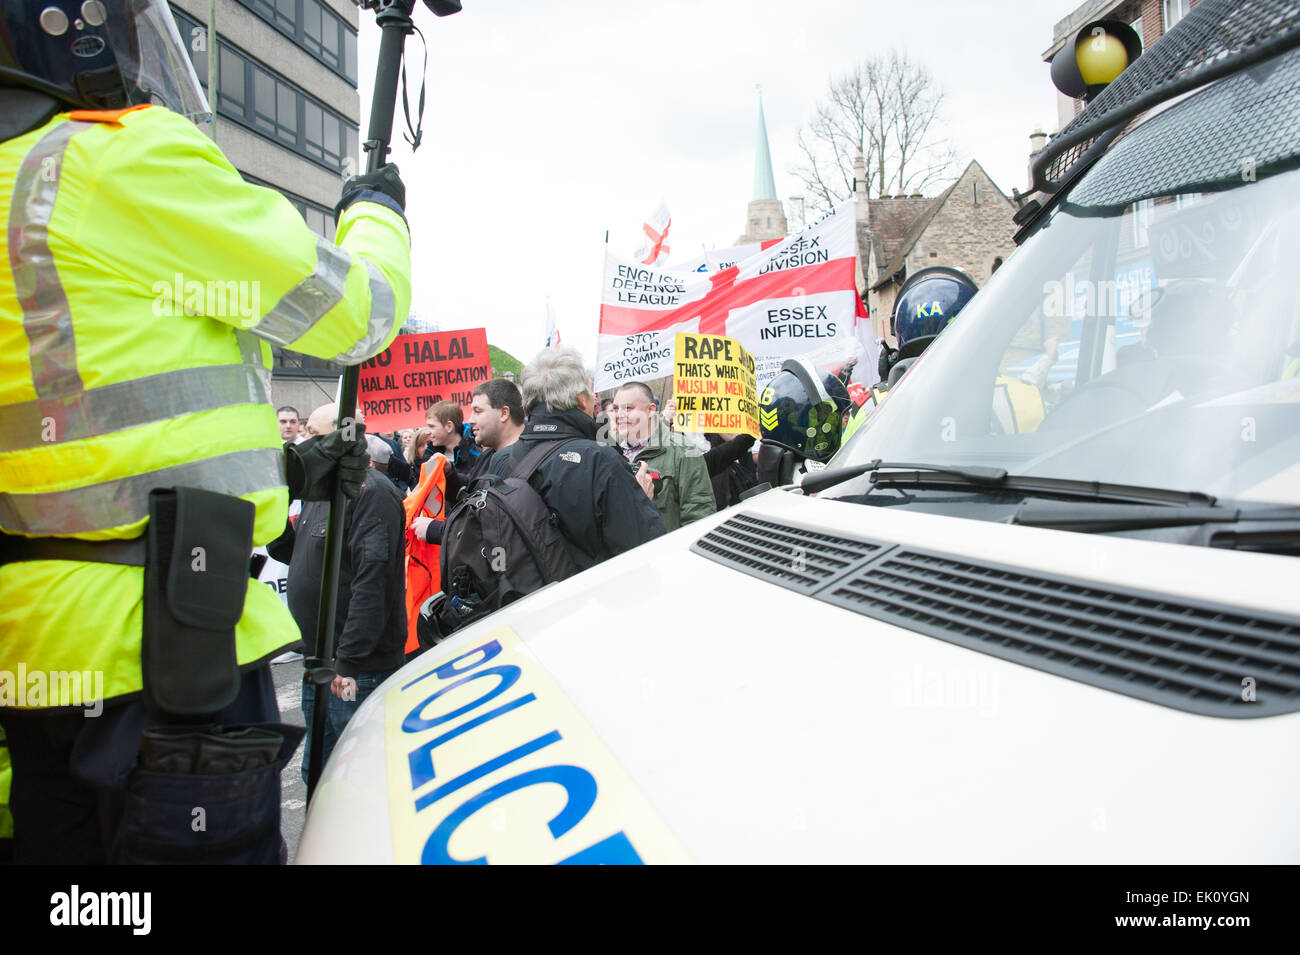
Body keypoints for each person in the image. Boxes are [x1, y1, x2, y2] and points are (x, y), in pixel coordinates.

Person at [0, 0, 410, 864]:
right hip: (167, 663)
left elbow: (80, 428)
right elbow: (356, 315)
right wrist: (373, 212)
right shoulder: (112, 157)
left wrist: (283, 470)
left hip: (30, 662)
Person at [269, 414, 407, 779]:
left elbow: (372, 582)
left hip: (355, 671)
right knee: (317, 773)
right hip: (319, 662)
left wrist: (348, 661)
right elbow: (299, 551)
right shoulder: (321, 489)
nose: (304, 444)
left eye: (314, 436)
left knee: (356, 778)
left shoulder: (371, 493)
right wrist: (275, 507)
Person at [486, 348, 665, 571]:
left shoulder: (500, 459)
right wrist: (641, 499)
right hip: (589, 600)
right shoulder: (599, 460)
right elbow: (645, 554)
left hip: (523, 600)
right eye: (592, 394)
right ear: (581, 400)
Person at [412, 378, 523, 545]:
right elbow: (470, 491)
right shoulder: (490, 454)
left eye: (478, 411)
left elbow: (493, 529)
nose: (470, 419)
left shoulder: (520, 460)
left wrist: (437, 530)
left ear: (504, 413)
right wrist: (449, 474)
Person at [610, 381, 715, 531]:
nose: (619, 415)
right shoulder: (607, 450)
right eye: (615, 408)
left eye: (628, 408)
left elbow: (699, 514)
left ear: (651, 410)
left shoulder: (683, 450)